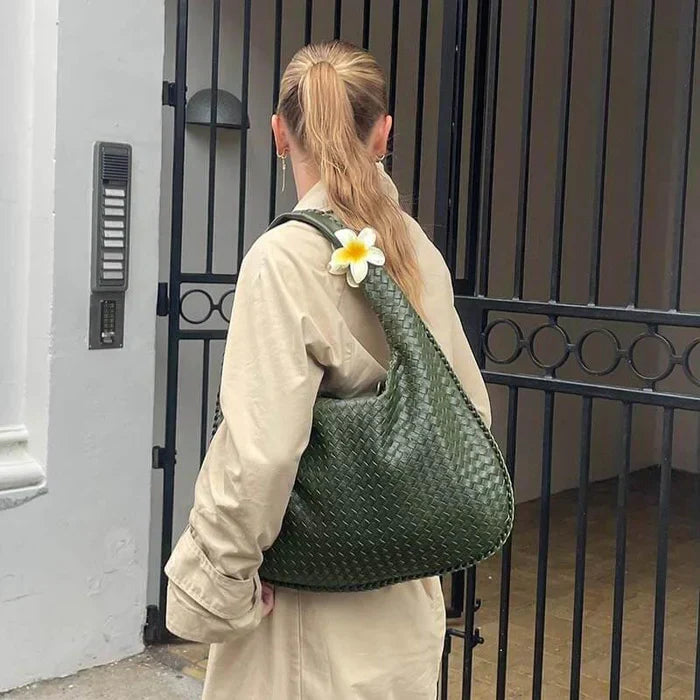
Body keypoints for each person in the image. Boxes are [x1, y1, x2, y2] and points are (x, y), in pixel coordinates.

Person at [165, 40, 491, 700]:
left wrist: (218, 590)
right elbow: (467, 414)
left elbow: (260, 453)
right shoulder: (414, 248)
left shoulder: (285, 257)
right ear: (383, 134)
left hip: (302, 613)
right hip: (403, 600)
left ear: (280, 135)